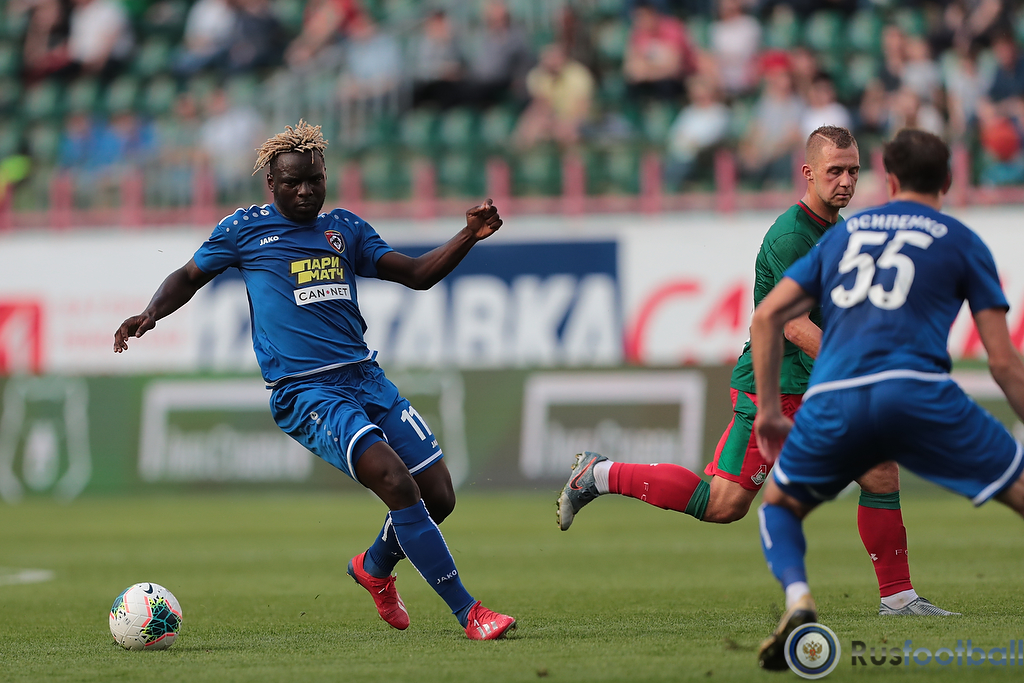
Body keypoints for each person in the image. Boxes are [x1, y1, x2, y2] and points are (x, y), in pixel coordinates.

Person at [112, 121, 516, 641]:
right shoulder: (244, 230)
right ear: (271, 184)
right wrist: (150, 313)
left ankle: (374, 566)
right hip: (306, 391)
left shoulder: (345, 229)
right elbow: (188, 276)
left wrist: (467, 236)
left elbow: (416, 275)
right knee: (396, 483)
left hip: (365, 378)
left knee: (438, 496)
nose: (305, 190)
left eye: (314, 180)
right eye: (292, 182)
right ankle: (470, 613)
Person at [558, 126, 956, 618]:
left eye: (854, 171)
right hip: (777, 387)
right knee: (723, 504)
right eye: (835, 171)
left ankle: (898, 598)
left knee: (878, 471)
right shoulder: (792, 236)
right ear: (808, 172)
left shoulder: (841, 230)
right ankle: (598, 475)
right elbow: (792, 325)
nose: (846, 181)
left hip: (816, 385)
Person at [751, 128, 1024, 670]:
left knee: (778, 506)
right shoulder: (961, 239)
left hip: (836, 394)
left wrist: (767, 411)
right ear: (948, 180)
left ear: (889, 181)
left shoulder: (843, 237)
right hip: (918, 391)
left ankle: (800, 597)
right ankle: (896, 596)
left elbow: (767, 317)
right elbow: (1003, 363)